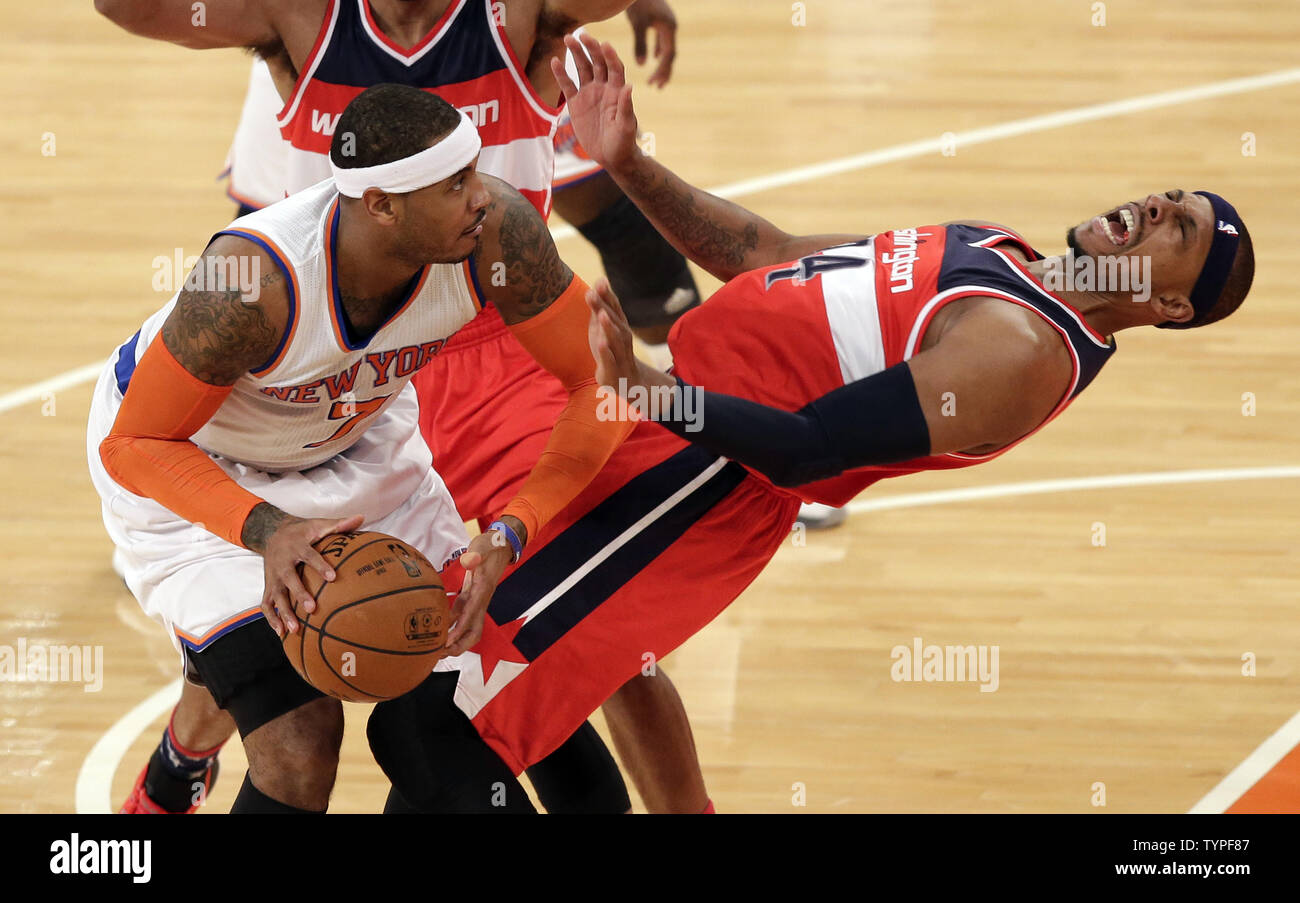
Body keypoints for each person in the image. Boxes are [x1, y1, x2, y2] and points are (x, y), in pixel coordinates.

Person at [364, 35, 1255, 801]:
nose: (1153, 206)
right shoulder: (997, 249)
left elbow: (809, 451)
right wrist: (628, 164)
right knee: (518, 696)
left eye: (1175, 229)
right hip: (668, 429)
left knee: (437, 725)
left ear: (1169, 307)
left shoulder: (1020, 349)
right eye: (1171, 195)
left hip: (701, 486)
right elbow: (766, 254)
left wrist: (644, 388)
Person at [96, 0, 712, 814]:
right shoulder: (250, 284)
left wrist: (513, 528)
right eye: (454, 186)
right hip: (201, 466)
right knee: (299, 745)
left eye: (473, 175)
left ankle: (197, 719)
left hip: (359, 445)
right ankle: (183, 758)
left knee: (480, 689)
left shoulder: (494, 234)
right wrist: (266, 531)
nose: (482, 199)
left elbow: (596, 385)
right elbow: (136, 441)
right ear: (381, 203)